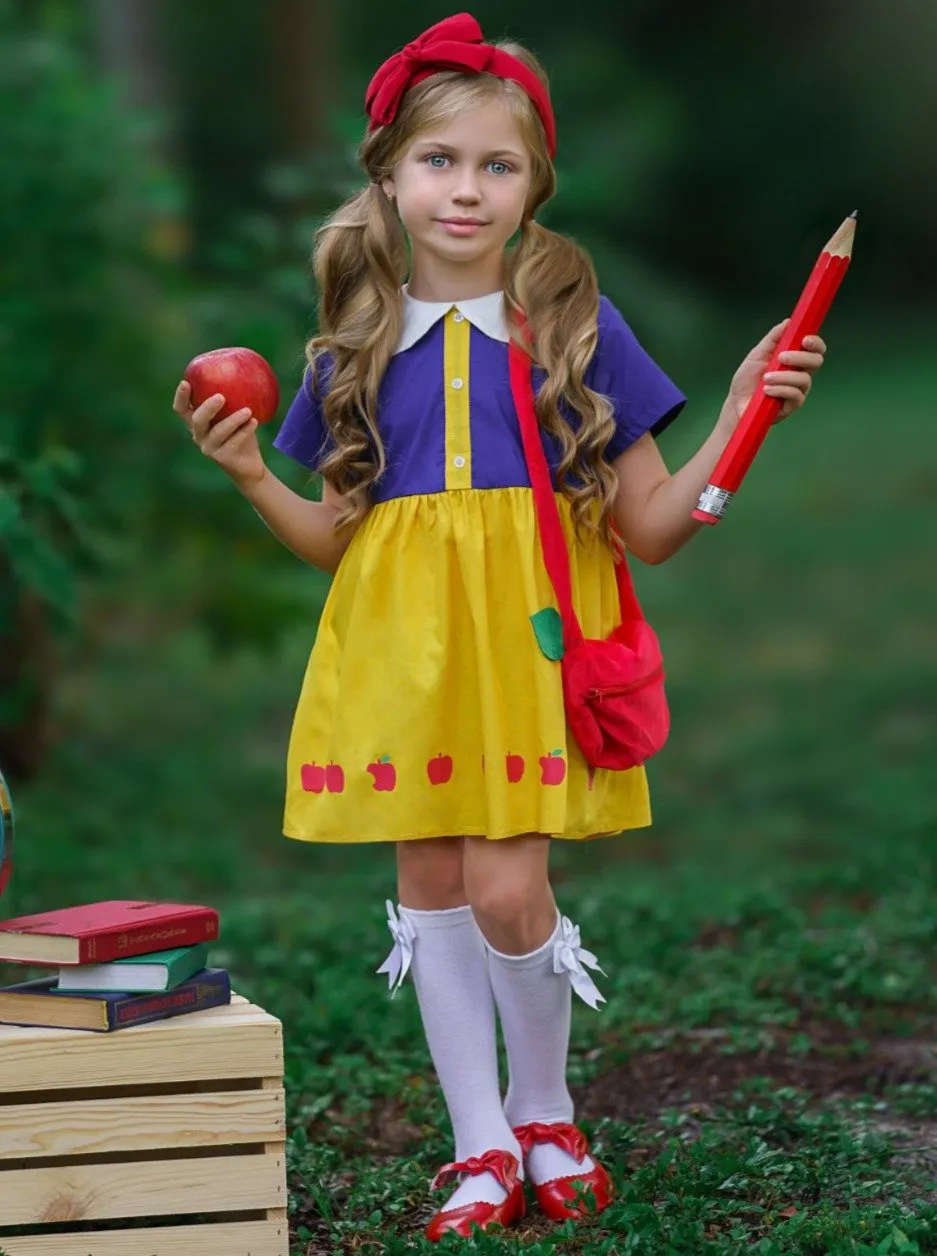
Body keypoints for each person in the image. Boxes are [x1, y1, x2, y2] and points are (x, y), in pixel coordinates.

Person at [173, 12, 827, 1241]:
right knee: (430, 876)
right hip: (400, 654)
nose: (464, 188)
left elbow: (652, 524)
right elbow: (334, 537)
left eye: (496, 163)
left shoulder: (578, 334)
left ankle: (545, 1106)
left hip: (528, 645)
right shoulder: (351, 354)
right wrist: (254, 472)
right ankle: (477, 1142)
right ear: (386, 174)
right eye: (438, 160)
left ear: (533, 186)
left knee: (507, 884)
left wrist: (743, 412)